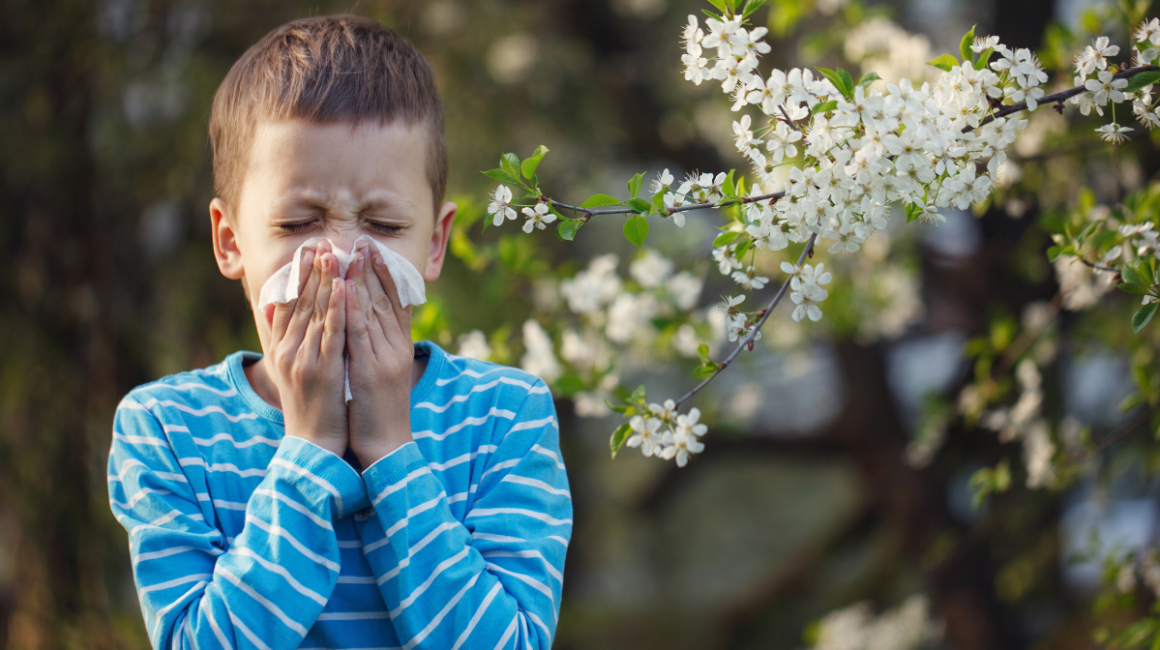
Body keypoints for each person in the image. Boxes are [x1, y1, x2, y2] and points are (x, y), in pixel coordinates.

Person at [107, 15, 570, 649]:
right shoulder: (165, 427)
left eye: (381, 225)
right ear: (229, 240)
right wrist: (309, 452)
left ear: (434, 244)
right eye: (299, 223)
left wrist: (389, 450)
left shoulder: (506, 417)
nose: (343, 260)